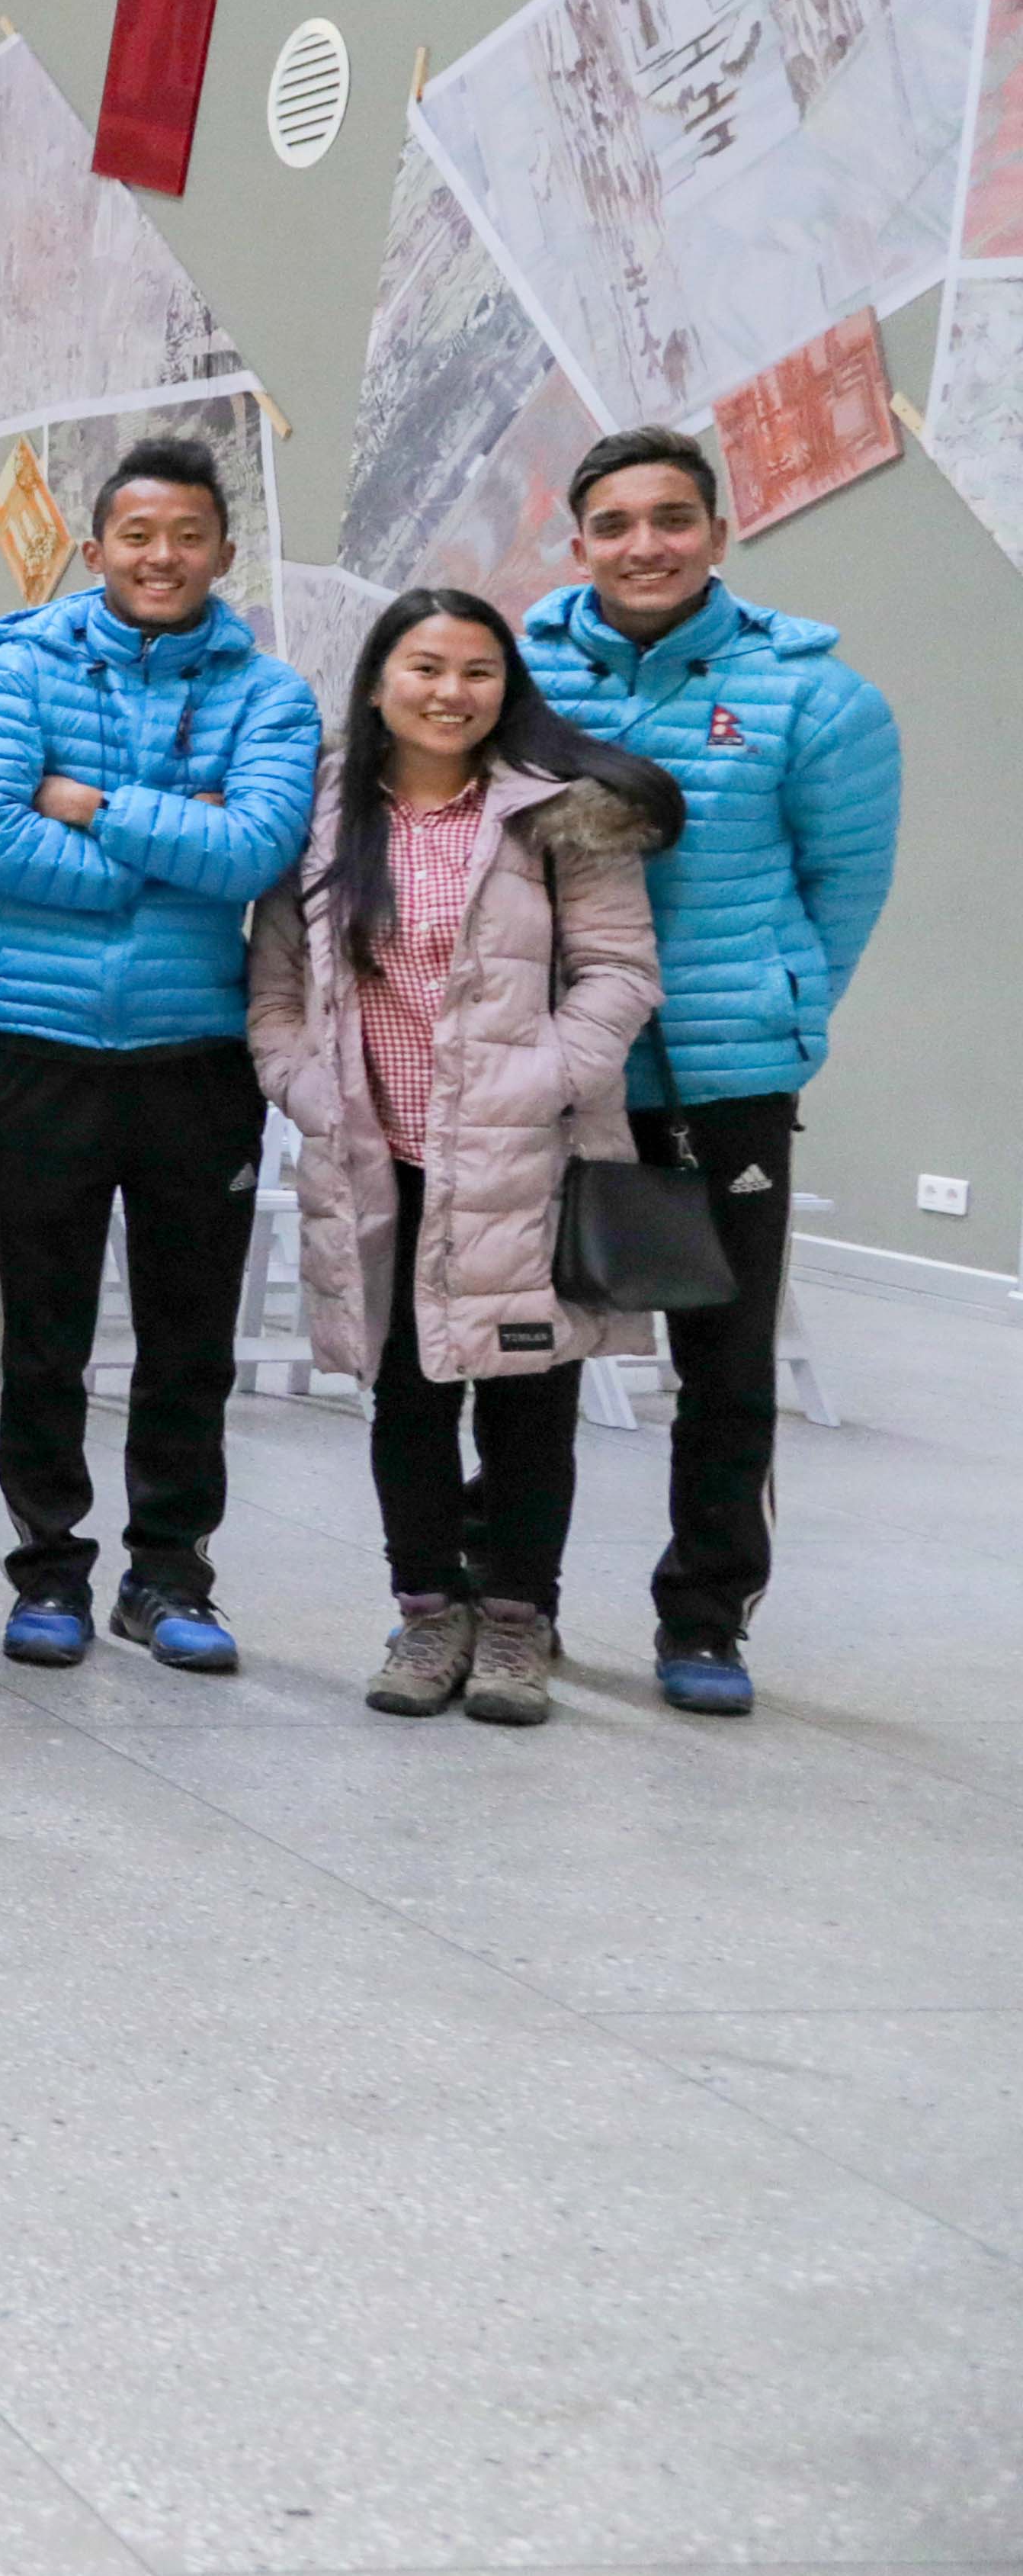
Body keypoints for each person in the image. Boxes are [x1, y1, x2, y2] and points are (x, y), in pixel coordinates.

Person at [518, 426, 904, 1717]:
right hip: (555, 1069)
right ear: (579, 543)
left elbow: (843, 889)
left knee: (725, 1363)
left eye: (672, 519)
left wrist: (776, 1011)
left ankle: (705, 1618)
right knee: (530, 1353)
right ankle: (516, 1598)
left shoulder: (815, 699)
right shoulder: (517, 676)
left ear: (718, 534)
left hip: (724, 1078)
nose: (646, 546)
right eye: (615, 524)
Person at [253, 590, 676, 1728]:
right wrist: (303, 1085)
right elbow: (278, 982)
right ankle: (428, 1611)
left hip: (522, 1154)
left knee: (529, 1401)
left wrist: (544, 1079)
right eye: (426, 668)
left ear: (508, 687)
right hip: (376, 1156)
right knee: (406, 1396)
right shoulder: (322, 810)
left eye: (478, 671)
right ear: (379, 684)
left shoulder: (556, 809)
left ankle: (517, 1621)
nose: (451, 693)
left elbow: (620, 973)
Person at [0, 434, 322, 1674]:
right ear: (95, 547)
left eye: (188, 537)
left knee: (188, 1340)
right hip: (41, 1043)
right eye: (138, 535)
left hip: (195, 1056)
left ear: (223, 552)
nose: (162, 557)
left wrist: (93, 804)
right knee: (43, 1335)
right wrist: (169, 851)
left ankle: (170, 1577)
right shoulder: (21, 666)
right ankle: (48, 1572)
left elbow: (256, 852)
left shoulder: (271, 695)